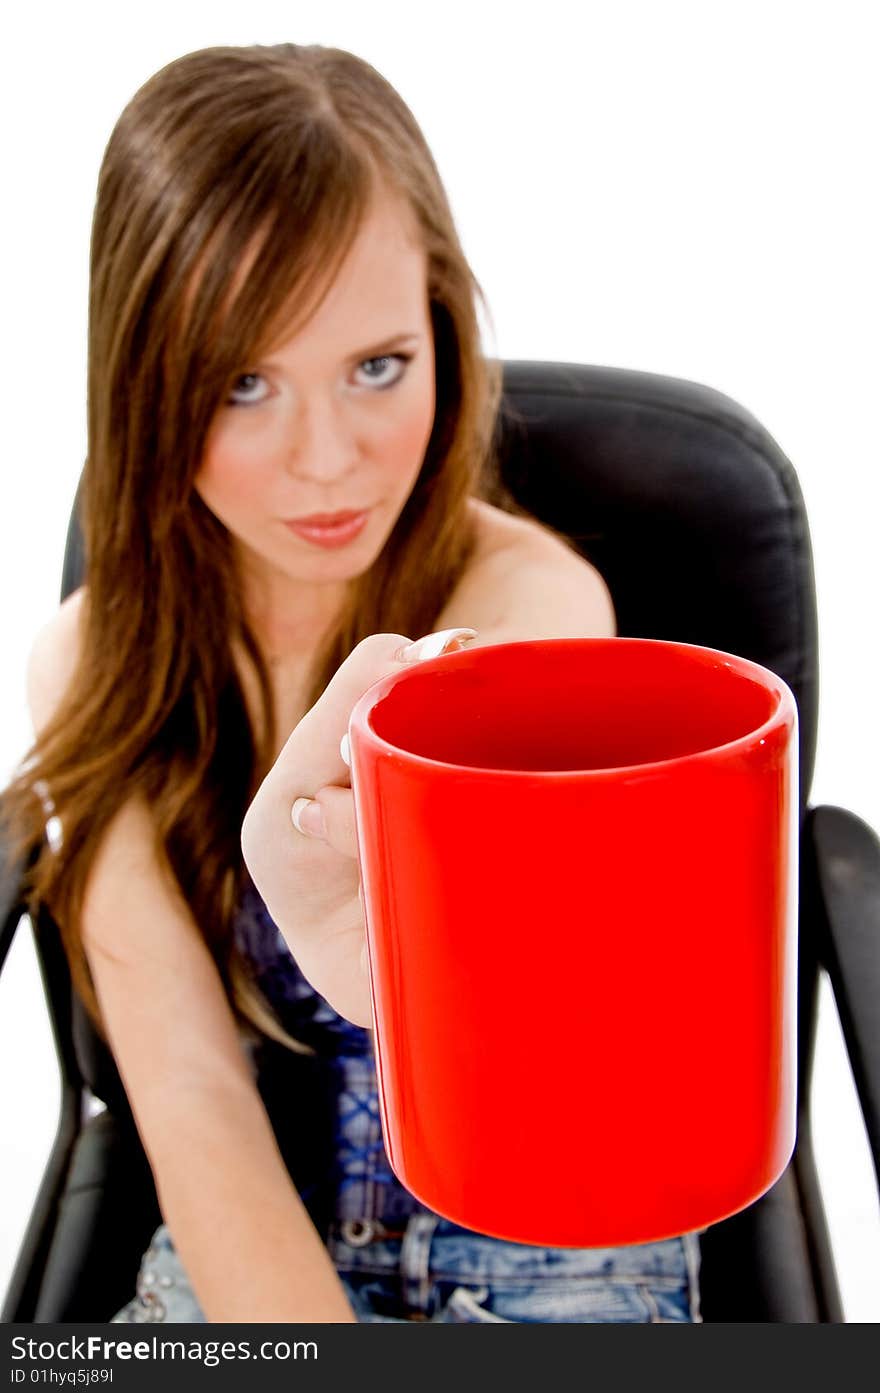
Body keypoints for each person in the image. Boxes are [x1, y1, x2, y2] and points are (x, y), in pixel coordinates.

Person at [6, 43, 700, 1323]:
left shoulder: (529, 611)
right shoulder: (94, 663)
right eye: (241, 383)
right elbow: (189, 1089)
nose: (327, 461)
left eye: (377, 365)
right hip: (248, 1221)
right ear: (146, 385)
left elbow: (540, 1057)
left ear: (439, 327)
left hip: (544, 1236)